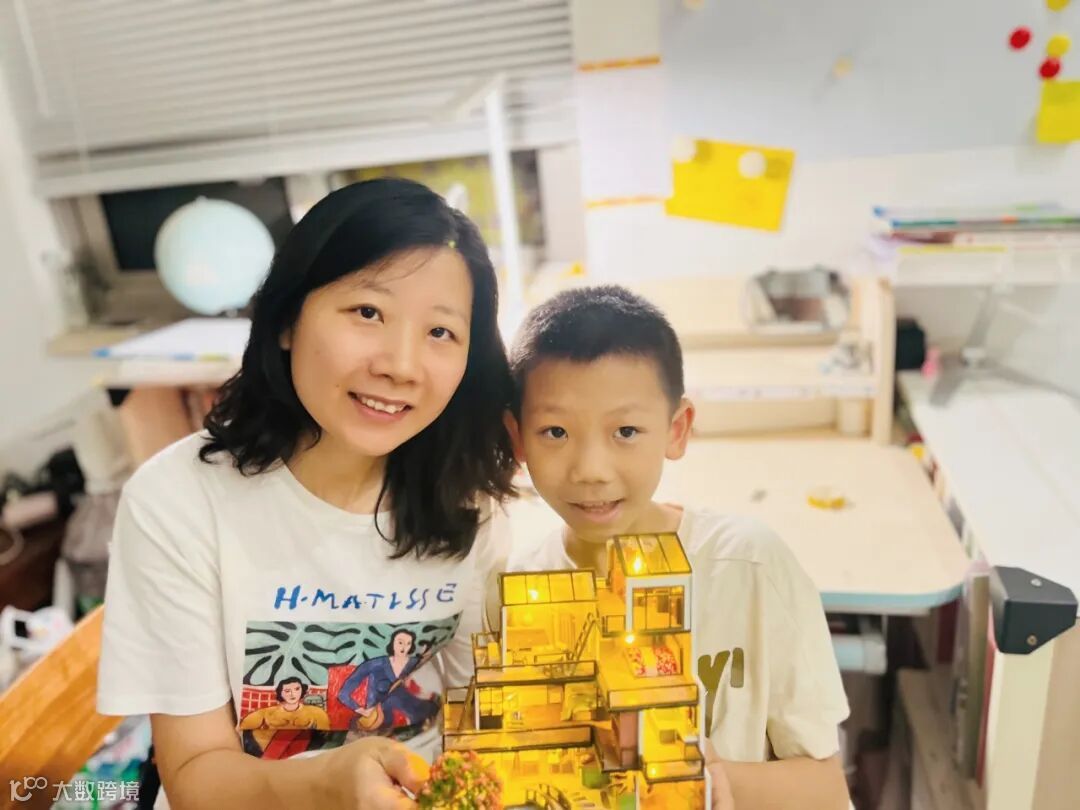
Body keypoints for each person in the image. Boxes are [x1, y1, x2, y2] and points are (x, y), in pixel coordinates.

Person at [98, 178, 516, 810]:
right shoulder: (177, 501)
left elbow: (476, 718)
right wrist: (327, 783)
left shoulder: (469, 503)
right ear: (288, 318)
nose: (401, 365)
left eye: (440, 332)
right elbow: (194, 777)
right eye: (368, 312)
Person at [504, 285, 851, 810]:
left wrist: (697, 778)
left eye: (625, 431)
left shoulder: (749, 567)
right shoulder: (516, 588)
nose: (591, 470)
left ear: (676, 430)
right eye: (555, 432)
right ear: (517, 440)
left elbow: (825, 791)